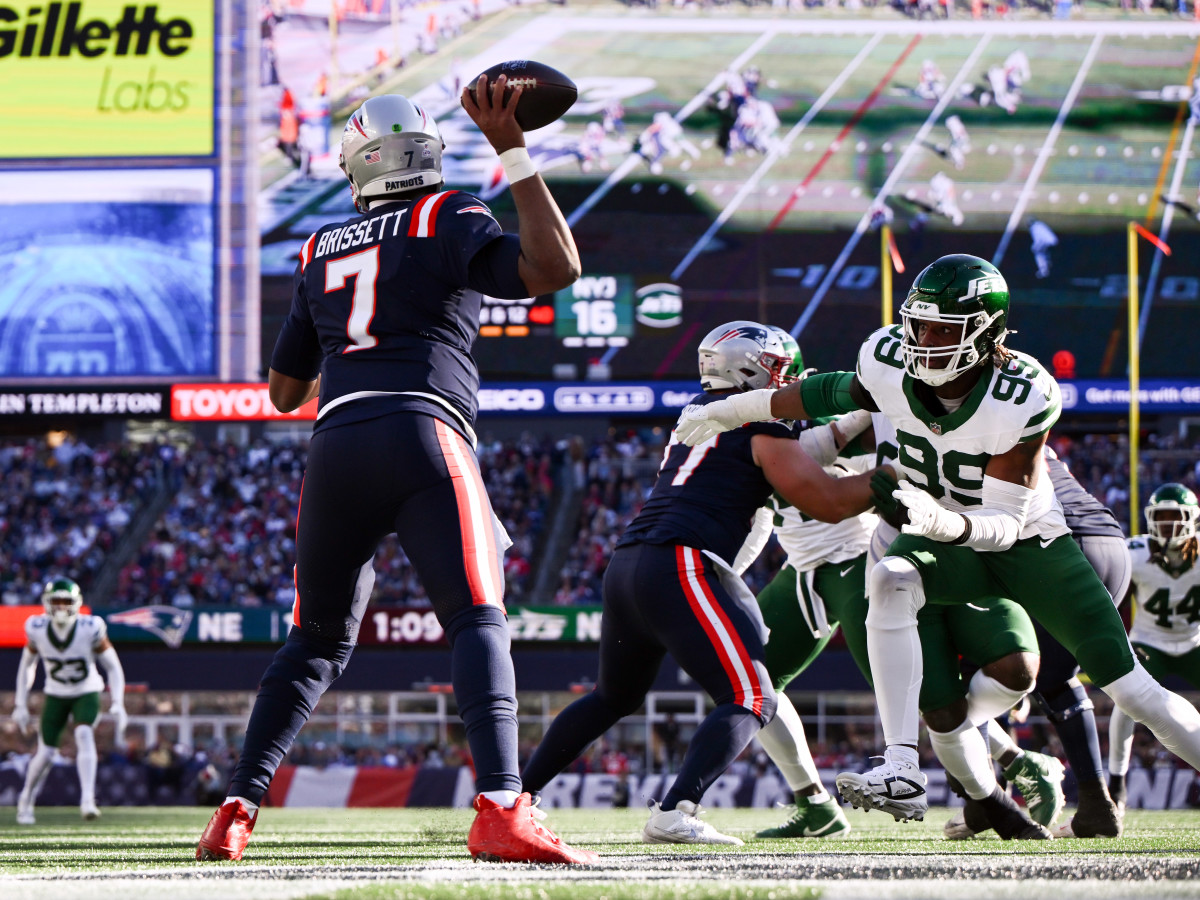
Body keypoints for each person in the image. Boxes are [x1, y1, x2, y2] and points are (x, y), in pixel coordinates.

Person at [196, 77, 595, 865]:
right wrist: (512, 146)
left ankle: (236, 808)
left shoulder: (317, 246)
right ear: (425, 153)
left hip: (336, 446)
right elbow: (555, 269)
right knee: (478, 617)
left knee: (313, 641)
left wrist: (348, 330)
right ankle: (504, 807)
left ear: (357, 166)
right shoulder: (445, 212)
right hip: (422, 429)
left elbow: (283, 394)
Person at [675, 253, 1200, 826]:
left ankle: (1021, 772)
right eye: (918, 324)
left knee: (1133, 694)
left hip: (1026, 545)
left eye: (943, 329)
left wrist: (936, 522)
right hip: (940, 539)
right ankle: (901, 767)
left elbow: (1002, 524)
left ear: (986, 334)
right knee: (890, 578)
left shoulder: (1022, 393)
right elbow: (819, 396)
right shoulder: (887, 361)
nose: (924, 341)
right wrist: (729, 410)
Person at [520, 322, 878, 846]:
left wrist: (852, 424)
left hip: (628, 563)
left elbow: (810, 448)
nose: (790, 378)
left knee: (611, 697)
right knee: (754, 696)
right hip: (681, 564)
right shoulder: (762, 430)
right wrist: (898, 476)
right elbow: (829, 500)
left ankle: (511, 798)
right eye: (780, 369)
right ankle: (676, 809)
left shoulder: (701, 415)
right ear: (751, 369)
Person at [943, 442, 1131, 839]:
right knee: (1058, 678)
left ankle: (984, 800)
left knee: (979, 664)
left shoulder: (966, 433)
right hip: (1109, 543)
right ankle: (1097, 803)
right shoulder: (1018, 424)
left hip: (1057, 545)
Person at [1109, 483, 1200, 814]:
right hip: (1149, 642)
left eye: (1175, 517)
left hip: (1193, 641)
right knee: (1125, 700)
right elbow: (1113, 595)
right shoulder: (1135, 551)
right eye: (1160, 517)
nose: (1167, 525)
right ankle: (1116, 784)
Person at [12, 578, 128, 825]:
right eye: (57, 601)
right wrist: (20, 703)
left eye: (67, 601)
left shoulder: (90, 627)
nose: (62, 607)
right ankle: (26, 799)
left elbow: (113, 666)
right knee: (45, 754)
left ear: (76, 604)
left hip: (86, 690)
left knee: (84, 734)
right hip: (55, 693)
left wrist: (118, 700)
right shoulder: (37, 627)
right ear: (47, 603)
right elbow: (26, 666)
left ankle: (87, 799)